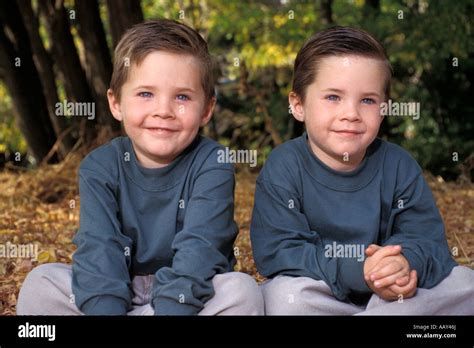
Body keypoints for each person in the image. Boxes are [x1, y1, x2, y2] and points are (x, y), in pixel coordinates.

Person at [18, 19, 263, 316]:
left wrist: (172, 307)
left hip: (191, 297)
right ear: (116, 102)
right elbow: (101, 247)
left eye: (182, 97)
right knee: (41, 284)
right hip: (115, 293)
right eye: (146, 93)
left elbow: (201, 248)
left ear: (207, 109)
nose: (163, 110)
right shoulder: (99, 167)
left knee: (241, 291)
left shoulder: (213, 163)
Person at [250, 26, 474, 315]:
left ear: (384, 108)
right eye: (333, 97)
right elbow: (279, 251)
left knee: (464, 283)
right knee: (284, 296)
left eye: (367, 100)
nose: (351, 114)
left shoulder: (398, 164)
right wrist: (359, 270)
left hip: (392, 297)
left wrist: (400, 264)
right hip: (322, 293)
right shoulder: (284, 166)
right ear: (298, 104)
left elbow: (424, 238)